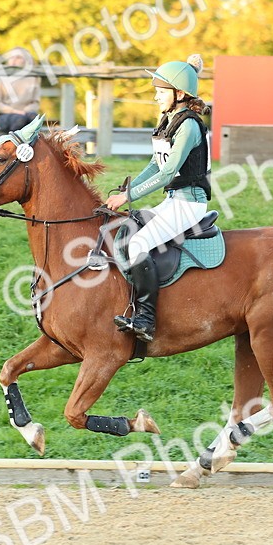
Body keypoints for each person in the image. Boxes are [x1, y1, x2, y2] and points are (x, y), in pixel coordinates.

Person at [104, 61, 212, 342]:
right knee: (131, 227)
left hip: (189, 204)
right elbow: (154, 164)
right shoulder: (168, 120)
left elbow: (166, 174)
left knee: (139, 243)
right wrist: (127, 189)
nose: (156, 96)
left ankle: (146, 319)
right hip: (174, 201)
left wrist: (127, 197)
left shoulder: (189, 126)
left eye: (161, 92)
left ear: (179, 94)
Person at [0, 47, 42, 133]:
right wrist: (14, 111)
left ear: (25, 60)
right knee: (20, 120)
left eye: (18, 57)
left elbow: (35, 103)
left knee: (34, 118)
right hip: (5, 114)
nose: (14, 60)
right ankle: (12, 141)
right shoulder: (0, 78)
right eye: (11, 57)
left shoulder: (33, 78)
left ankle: (31, 141)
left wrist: (24, 111)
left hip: (26, 113)